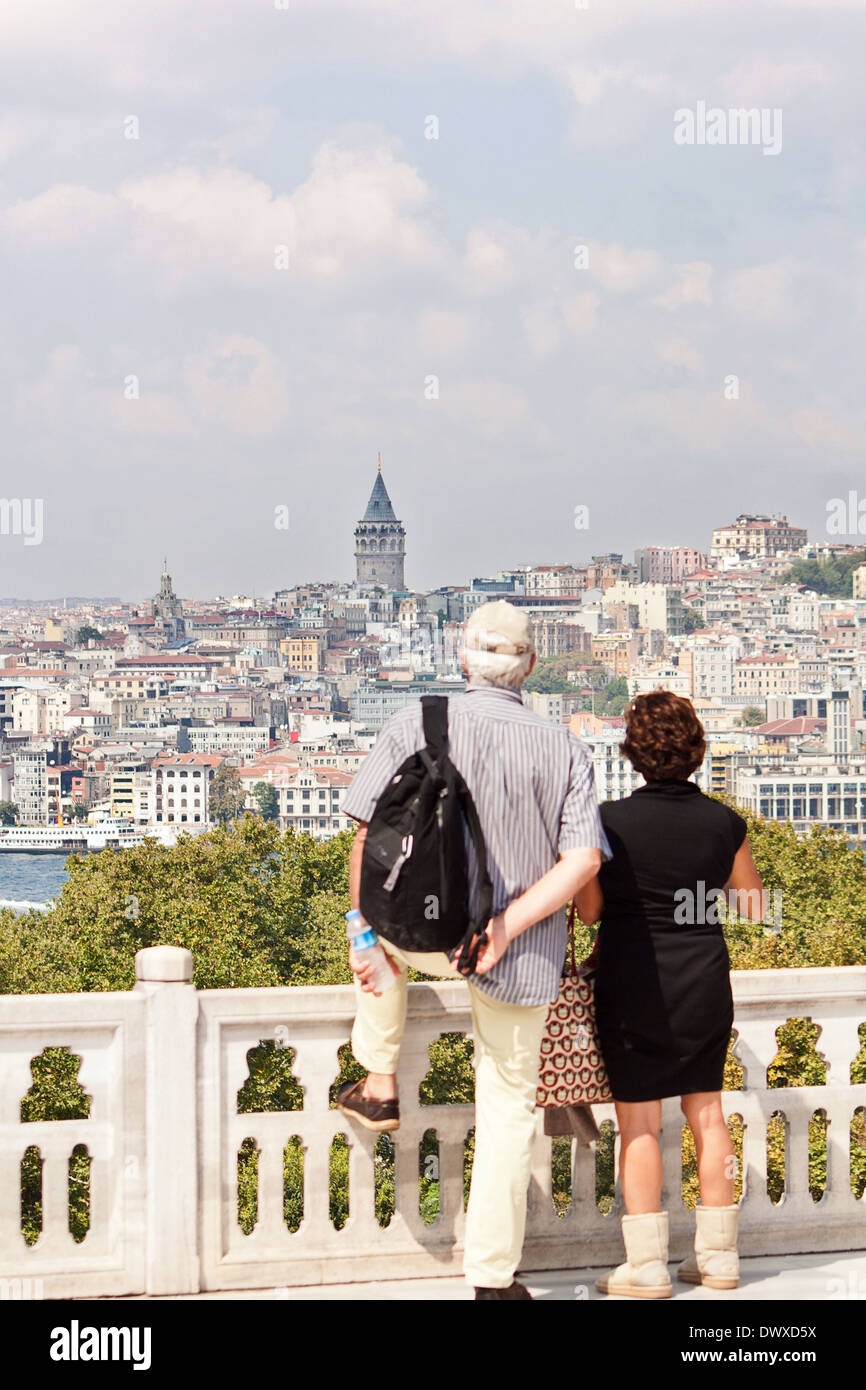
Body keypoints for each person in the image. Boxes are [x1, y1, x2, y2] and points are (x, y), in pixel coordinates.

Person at [337, 600, 611, 1299]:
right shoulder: (563, 746)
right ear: (531, 666)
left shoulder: (416, 721)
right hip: (514, 954)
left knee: (379, 947)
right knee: (509, 1108)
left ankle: (377, 1079)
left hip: (420, 934)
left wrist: (362, 931)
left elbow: (368, 839)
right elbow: (582, 862)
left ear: (461, 660)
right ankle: (492, 1279)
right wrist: (508, 926)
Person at [575, 690, 766, 1299]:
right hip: (704, 978)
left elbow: (589, 912)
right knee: (707, 1114)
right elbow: (753, 905)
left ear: (632, 753)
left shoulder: (607, 823)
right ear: (696, 751)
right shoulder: (722, 822)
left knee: (638, 1124)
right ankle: (718, 1260)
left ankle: (648, 1267)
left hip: (631, 982)